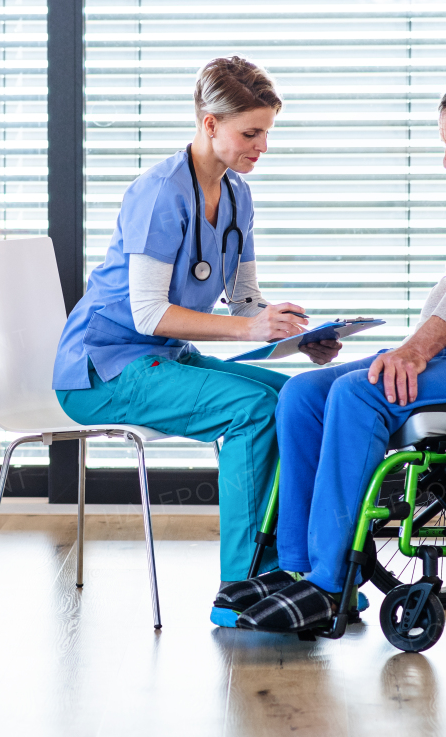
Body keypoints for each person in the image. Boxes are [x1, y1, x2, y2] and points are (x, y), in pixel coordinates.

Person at [215, 72, 446, 633]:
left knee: (357, 394)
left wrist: (416, 352)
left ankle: (330, 583)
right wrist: (406, 349)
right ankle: (298, 571)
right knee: (302, 394)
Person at [53, 56, 342, 593]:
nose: (261, 146)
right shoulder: (160, 192)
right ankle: (244, 589)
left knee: (302, 398)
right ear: (210, 124)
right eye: (250, 133)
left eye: (266, 133)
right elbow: (148, 313)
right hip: (103, 368)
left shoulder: (237, 194)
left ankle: (295, 567)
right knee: (253, 411)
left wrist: (291, 333)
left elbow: (245, 299)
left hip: (165, 358)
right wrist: (251, 331)